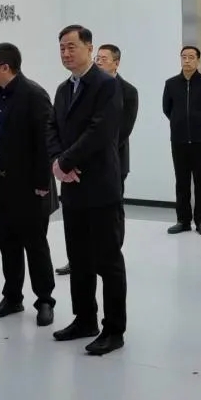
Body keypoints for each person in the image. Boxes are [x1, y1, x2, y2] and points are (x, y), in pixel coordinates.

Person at [48, 24, 126, 356]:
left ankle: (114, 329)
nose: (66, 53)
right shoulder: (64, 88)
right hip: (72, 188)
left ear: (89, 48)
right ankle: (84, 319)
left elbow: (101, 131)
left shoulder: (106, 85)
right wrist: (57, 162)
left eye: (72, 47)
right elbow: (52, 127)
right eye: (62, 48)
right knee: (78, 259)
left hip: (100, 186)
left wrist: (66, 161)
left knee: (108, 261)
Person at [0, 42, 57, 326]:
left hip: (28, 186)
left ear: (5, 67)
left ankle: (45, 300)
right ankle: (12, 296)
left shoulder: (34, 95)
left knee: (35, 245)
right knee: (7, 244)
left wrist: (42, 183)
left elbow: (45, 142)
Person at [56, 43, 138, 276]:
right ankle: (80, 258)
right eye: (98, 58)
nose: (99, 62)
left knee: (110, 216)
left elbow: (120, 131)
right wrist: (66, 158)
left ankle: (109, 252)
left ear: (116, 63)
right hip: (76, 163)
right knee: (79, 222)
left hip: (111, 161)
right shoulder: (74, 88)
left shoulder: (126, 90)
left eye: (104, 58)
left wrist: (91, 151)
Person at [162, 45, 201, 236]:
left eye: (191, 57)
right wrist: (179, 123)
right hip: (178, 141)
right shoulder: (171, 84)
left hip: (200, 141)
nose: (187, 60)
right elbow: (167, 109)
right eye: (184, 57)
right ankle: (183, 221)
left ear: (198, 61)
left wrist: (200, 124)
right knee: (182, 182)